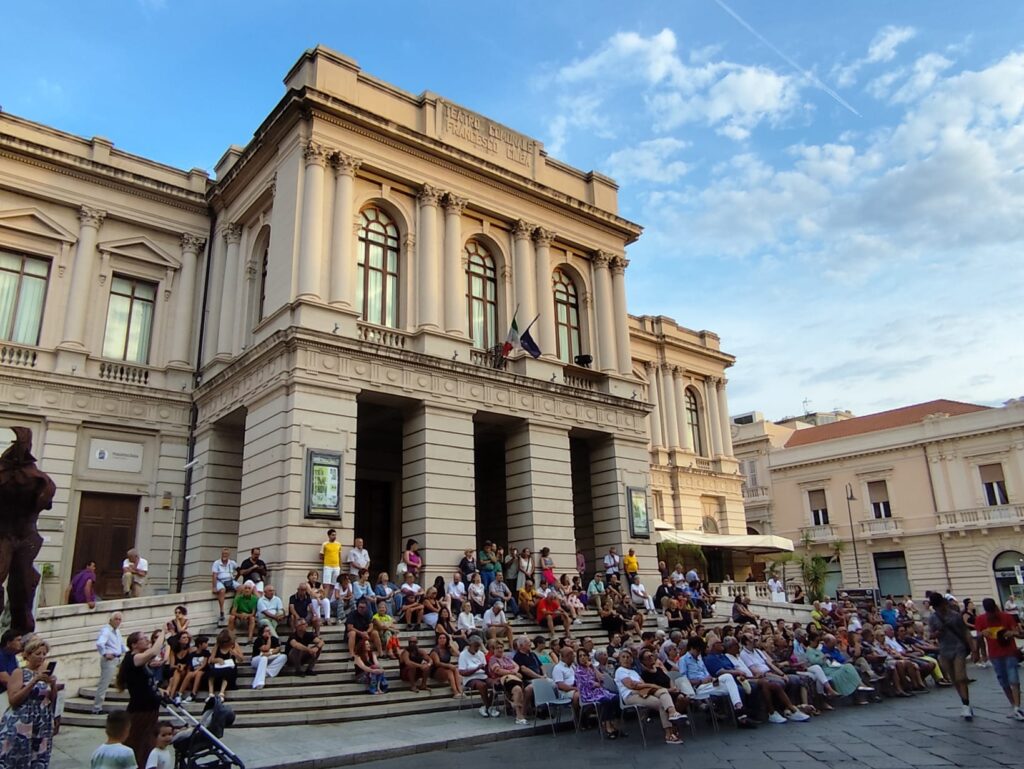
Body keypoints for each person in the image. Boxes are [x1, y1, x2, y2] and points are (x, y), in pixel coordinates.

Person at [0, 635, 57, 767]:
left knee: (38, 759)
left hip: (41, 722)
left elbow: (51, 699)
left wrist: (53, 685)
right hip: (22, 721)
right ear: (28, 655)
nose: (42, 657)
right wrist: (33, 681)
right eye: (38, 654)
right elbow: (14, 700)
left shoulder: (45, 673)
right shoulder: (19, 672)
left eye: (44, 654)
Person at [614, 649, 686, 745]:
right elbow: (631, 685)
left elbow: (642, 684)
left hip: (642, 692)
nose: (626, 659)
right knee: (661, 703)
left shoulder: (633, 672)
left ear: (632, 659)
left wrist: (641, 685)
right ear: (619, 659)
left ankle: (673, 713)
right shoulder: (620, 671)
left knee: (664, 691)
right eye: (623, 657)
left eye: (628, 657)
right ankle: (669, 735)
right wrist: (651, 685)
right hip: (631, 695)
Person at [117, 629, 164, 766]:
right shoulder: (134, 658)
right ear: (134, 645)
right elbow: (154, 652)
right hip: (141, 709)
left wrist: (159, 690)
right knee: (139, 743)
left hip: (149, 708)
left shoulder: (138, 660)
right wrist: (163, 633)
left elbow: (143, 682)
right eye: (144, 638)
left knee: (146, 743)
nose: (148, 640)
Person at [928, 591, 975, 720]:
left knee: (960, 677)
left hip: (958, 647)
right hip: (944, 649)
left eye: (939, 605)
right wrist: (937, 633)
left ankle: (966, 705)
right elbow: (930, 635)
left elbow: (965, 631)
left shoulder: (955, 616)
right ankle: (965, 702)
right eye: (936, 606)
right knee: (954, 679)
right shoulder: (933, 618)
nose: (939, 608)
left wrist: (973, 648)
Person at [974, 597, 1023, 720]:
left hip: (1009, 652)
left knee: (1013, 678)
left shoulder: (1006, 617)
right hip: (995, 654)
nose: (992, 615)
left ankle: (1017, 707)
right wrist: (982, 633)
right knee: (1004, 680)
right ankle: (1013, 705)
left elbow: (1017, 632)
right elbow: (978, 636)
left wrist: (1012, 633)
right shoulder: (980, 620)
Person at [92, 612, 126, 714]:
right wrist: (105, 653)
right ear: (111, 620)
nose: (118, 621)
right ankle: (97, 708)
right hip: (110, 659)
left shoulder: (117, 631)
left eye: (120, 619)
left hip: (118, 658)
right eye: (116, 619)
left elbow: (122, 645)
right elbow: (100, 643)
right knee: (104, 683)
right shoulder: (106, 631)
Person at [489, 642, 530, 724]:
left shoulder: (506, 658)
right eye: (497, 648)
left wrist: (513, 672)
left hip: (513, 678)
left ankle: (520, 710)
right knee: (517, 689)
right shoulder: (493, 659)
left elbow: (517, 666)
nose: (500, 649)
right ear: (493, 650)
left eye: (501, 647)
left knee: (527, 688)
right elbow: (498, 670)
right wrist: (512, 673)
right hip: (501, 680)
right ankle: (519, 715)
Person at [459, 636, 496, 717]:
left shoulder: (481, 654)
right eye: (475, 646)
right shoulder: (463, 655)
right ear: (470, 645)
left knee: (496, 684)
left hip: (482, 675)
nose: (477, 648)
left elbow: (485, 667)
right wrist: (476, 669)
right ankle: (488, 707)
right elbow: (462, 672)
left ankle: (487, 706)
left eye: (478, 646)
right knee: (482, 685)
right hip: (470, 678)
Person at [206, 628, 243, 701]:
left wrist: (235, 654)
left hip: (230, 667)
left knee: (227, 672)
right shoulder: (217, 646)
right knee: (211, 671)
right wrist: (217, 659)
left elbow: (241, 659)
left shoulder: (234, 645)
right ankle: (211, 693)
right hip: (219, 666)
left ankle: (222, 693)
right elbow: (210, 660)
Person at [250, 624, 287, 690]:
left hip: (270, 657)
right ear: (262, 632)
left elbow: (278, 649)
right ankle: (259, 682)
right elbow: (266, 648)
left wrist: (270, 653)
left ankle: (265, 673)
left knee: (284, 656)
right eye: (267, 631)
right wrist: (269, 639)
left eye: (269, 631)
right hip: (257, 659)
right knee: (264, 658)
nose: (269, 632)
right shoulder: (258, 640)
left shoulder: (274, 639)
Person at [179, 635, 210, 704]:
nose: (207, 644)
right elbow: (189, 667)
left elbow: (204, 664)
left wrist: (196, 671)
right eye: (206, 643)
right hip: (193, 671)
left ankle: (193, 693)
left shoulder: (206, 653)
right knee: (189, 673)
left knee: (198, 673)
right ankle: (179, 694)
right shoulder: (192, 655)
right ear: (200, 645)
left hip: (203, 670)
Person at [210, 548, 238, 625]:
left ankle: (234, 606)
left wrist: (236, 578)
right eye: (223, 554)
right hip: (220, 580)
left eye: (226, 554)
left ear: (229, 555)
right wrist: (214, 587)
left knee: (241, 588)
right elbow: (214, 575)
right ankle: (222, 611)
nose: (224, 555)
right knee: (222, 591)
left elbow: (240, 570)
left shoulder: (232, 563)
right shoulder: (217, 563)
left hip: (230, 580)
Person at [962, 598, 990, 668]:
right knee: (975, 647)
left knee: (982, 644)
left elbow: (979, 618)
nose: (972, 605)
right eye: (970, 604)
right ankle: (977, 660)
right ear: (967, 606)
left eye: (972, 604)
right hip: (972, 631)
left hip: (978, 630)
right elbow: (965, 623)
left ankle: (985, 659)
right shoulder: (965, 614)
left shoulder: (974, 612)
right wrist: (974, 626)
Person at [320, 529, 342, 600]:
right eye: (333, 535)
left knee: (334, 585)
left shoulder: (338, 544)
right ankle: (324, 600)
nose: (334, 536)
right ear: (329, 536)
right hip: (328, 566)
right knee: (326, 584)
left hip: (336, 567)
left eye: (335, 535)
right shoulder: (325, 544)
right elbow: (321, 555)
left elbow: (339, 556)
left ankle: (330, 600)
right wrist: (327, 561)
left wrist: (340, 567)